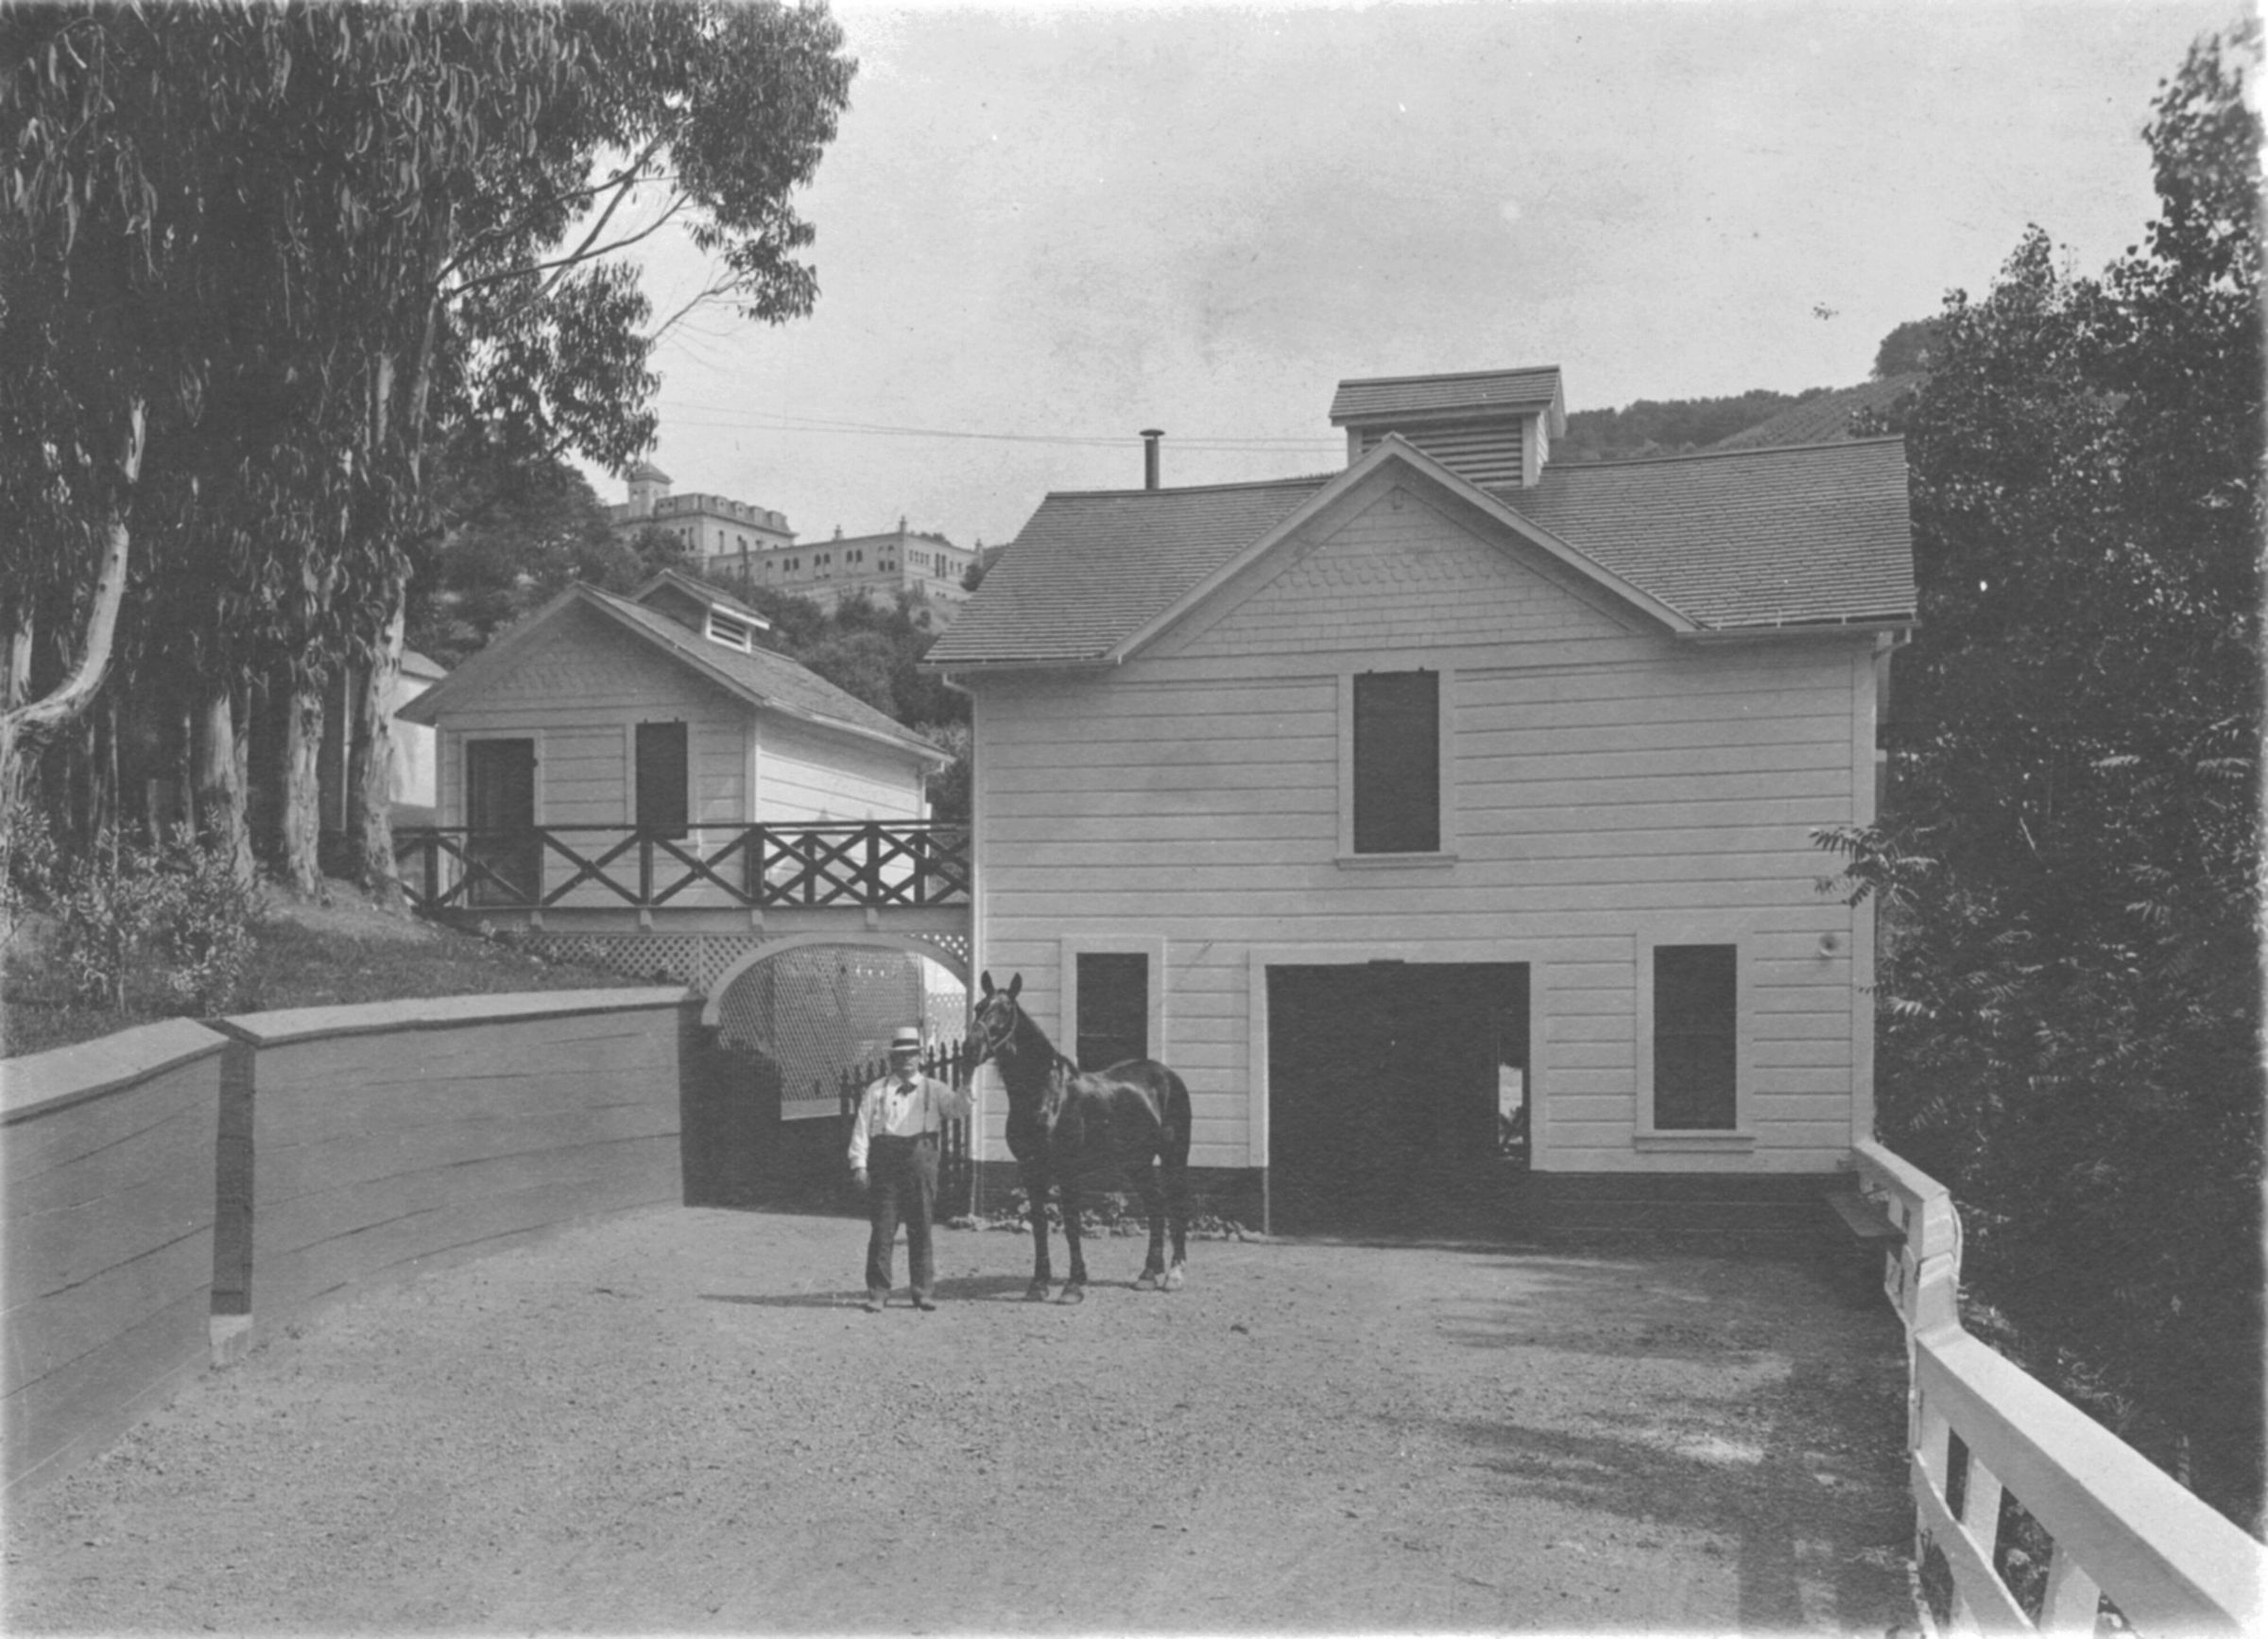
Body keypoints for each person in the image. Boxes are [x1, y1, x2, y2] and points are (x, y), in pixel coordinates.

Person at [848, 1025, 972, 1311]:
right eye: (900, 1055)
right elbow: (862, 1129)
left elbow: (956, 1109)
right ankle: (878, 1292)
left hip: (921, 1164)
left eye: (911, 1054)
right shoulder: (877, 1090)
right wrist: (859, 1164)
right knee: (882, 1230)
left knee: (921, 1228)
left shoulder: (934, 1088)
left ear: (920, 1057)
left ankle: (923, 1291)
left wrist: (966, 1087)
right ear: (892, 1058)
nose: (906, 1060)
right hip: (886, 1165)